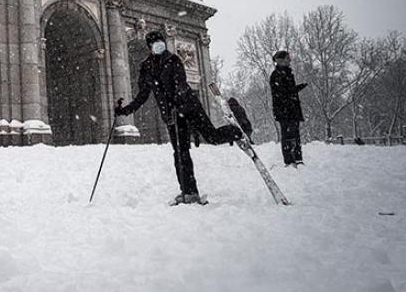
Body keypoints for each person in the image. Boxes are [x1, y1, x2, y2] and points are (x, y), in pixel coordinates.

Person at [115, 30, 240, 205]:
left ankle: (237, 131)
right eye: (155, 42)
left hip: (189, 106)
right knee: (180, 153)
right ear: (149, 47)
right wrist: (125, 110)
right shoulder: (146, 67)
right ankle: (189, 192)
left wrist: (177, 100)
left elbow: (180, 83)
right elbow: (142, 95)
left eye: (161, 40)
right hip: (172, 116)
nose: (159, 44)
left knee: (212, 137)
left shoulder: (174, 60)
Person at [269, 51, 307, 167]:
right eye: (287, 59)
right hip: (284, 111)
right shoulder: (276, 75)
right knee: (288, 135)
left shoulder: (288, 73)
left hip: (291, 109)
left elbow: (287, 92)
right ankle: (290, 161)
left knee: (295, 134)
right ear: (280, 60)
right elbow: (282, 93)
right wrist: (296, 89)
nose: (289, 60)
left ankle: (298, 159)